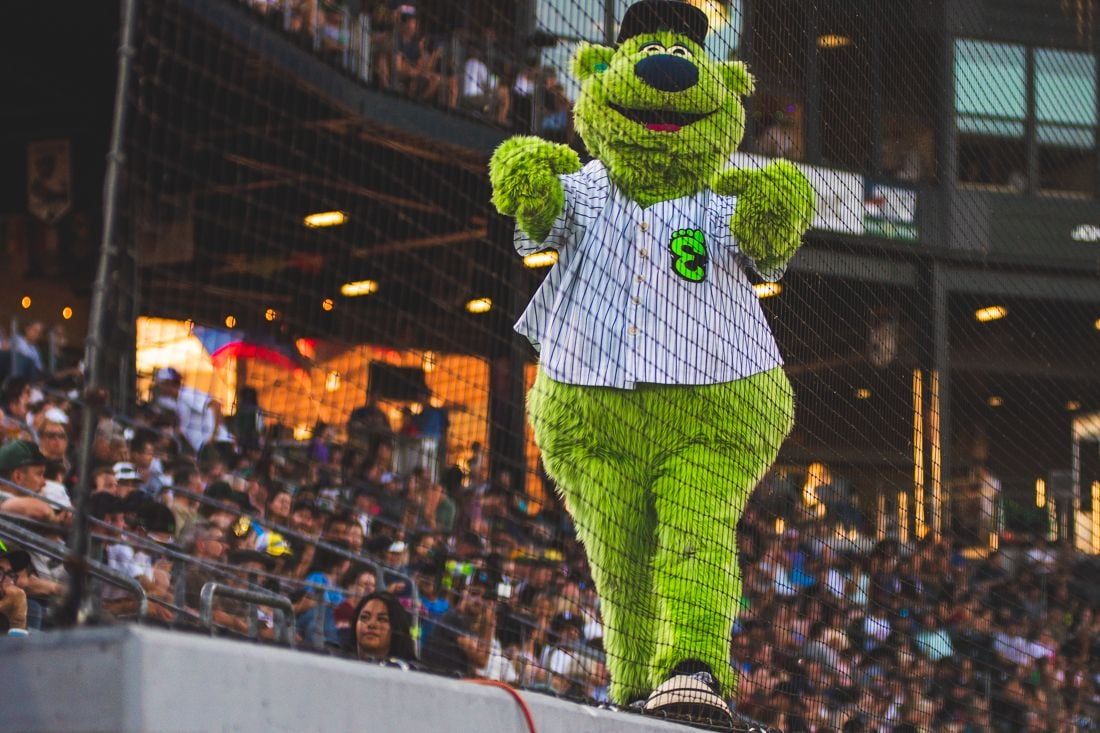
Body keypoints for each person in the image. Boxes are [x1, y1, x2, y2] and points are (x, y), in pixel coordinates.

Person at [153, 367, 221, 453]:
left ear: (169, 384)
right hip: (199, 448)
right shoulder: (172, 400)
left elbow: (215, 404)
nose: (159, 387)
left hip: (214, 444)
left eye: (161, 384)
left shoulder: (187, 395)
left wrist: (214, 436)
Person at [352, 591, 417, 664]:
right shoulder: (339, 661)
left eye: (382, 619)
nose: (371, 624)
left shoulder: (410, 671)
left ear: (396, 627)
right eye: (364, 617)